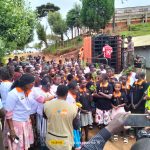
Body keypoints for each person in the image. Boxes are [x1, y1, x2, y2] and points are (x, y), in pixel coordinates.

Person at [5, 74, 35, 150]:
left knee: (23, 146)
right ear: (25, 84)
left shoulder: (27, 91)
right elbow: (8, 113)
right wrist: (12, 130)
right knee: (16, 144)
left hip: (25, 122)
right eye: (32, 83)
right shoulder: (13, 94)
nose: (33, 85)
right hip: (16, 125)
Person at [44, 85, 79, 150]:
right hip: (65, 141)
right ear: (67, 94)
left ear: (56, 93)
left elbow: (46, 116)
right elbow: (76, 125)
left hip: (51, 138)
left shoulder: (47, 105)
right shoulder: (73, 107)